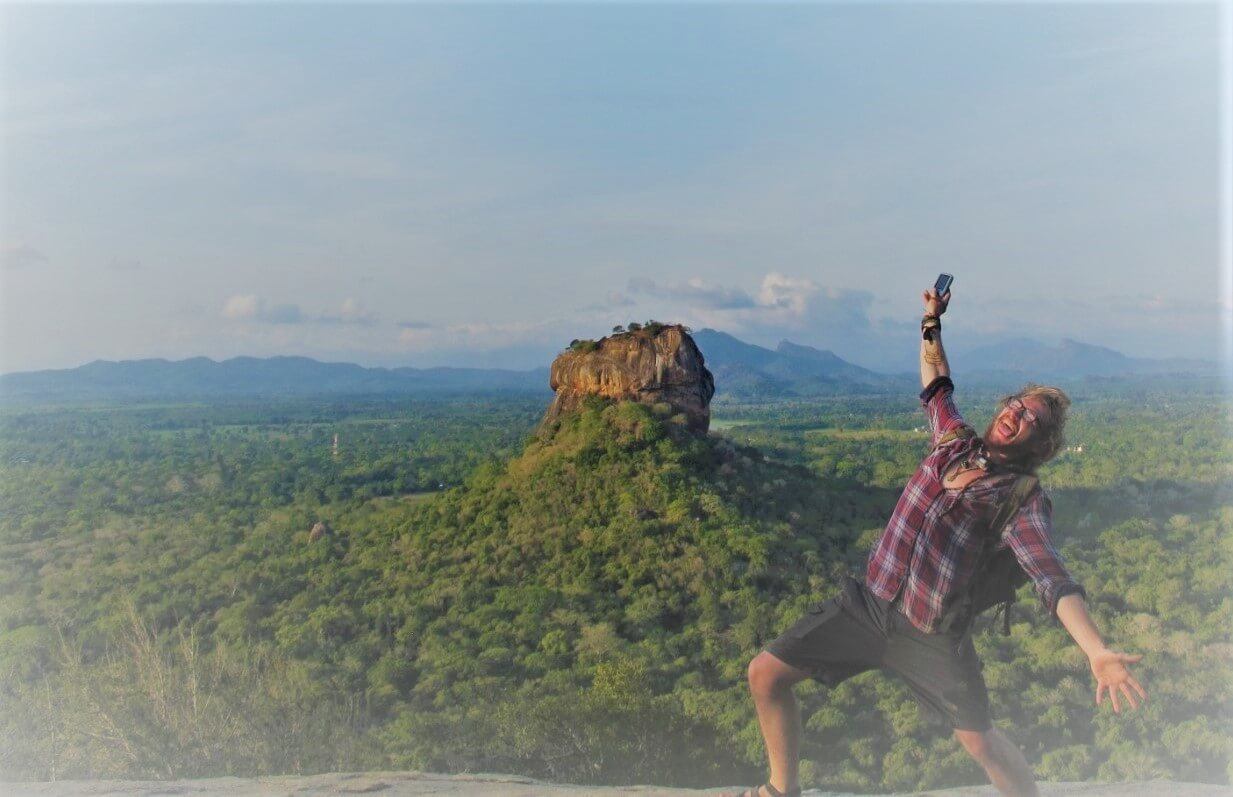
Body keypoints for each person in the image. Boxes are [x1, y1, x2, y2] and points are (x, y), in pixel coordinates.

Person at [731, 285, 1147, 797]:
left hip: (930, 633)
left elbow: (1051, 576)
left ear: (1041, 445)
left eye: (1031, 418)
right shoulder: (953, 441)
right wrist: (931, 319)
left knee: (981, 743)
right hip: (869, 603)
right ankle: (781, 790)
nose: (1016, 413)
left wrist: (1096, 650)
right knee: (765, 674)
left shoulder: (1019, 497)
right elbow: (937, 385)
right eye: (1016, 403)